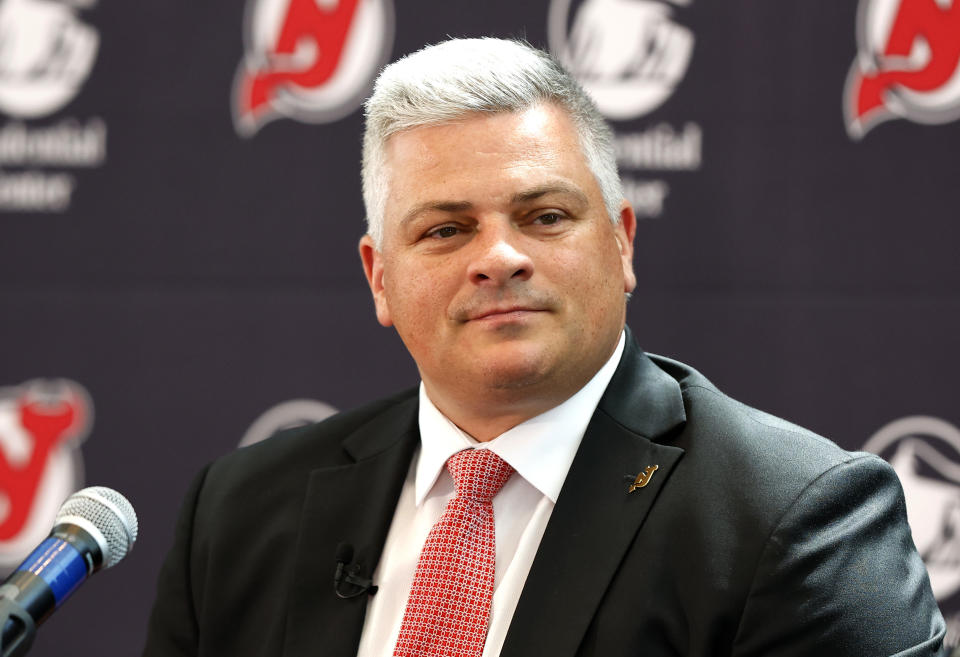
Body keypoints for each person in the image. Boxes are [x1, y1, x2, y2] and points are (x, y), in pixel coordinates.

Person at [142, 38, 945, 657]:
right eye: (446, 229)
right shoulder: (242, 509)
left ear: (623, 243)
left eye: (545, 216)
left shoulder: (797, 519)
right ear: (379, 277)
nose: (499, 256)